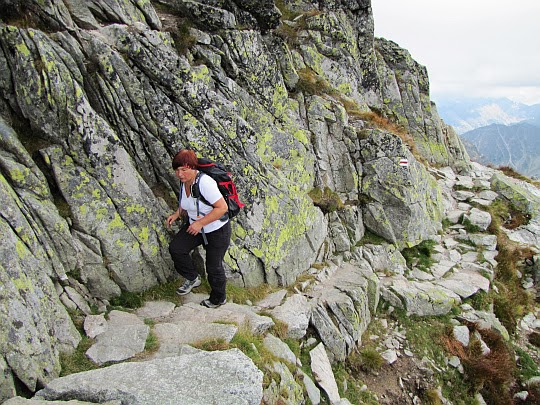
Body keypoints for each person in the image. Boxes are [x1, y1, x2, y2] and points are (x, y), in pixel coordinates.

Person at [167, 149, 231, 308]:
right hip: (196, 226)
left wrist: (200, 223)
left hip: (217, 229)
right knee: (176, 249)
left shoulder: (205, 182)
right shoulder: (184, 182)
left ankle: (218, 299)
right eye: (177, 170)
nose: (180, 174)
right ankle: (193, 278)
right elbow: (186, 201)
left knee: (213, 267)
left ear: (193, 168)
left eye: (184, 169)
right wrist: (177, 214)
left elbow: (222, 208)